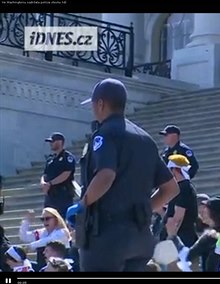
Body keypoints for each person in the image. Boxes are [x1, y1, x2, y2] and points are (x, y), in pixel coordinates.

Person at [66, 78, 179, 272]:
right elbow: (171, 188)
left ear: (100, 104)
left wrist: (83, 204)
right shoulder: (145, 139)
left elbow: (106, 175)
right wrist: (144, 209)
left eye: (94, 104)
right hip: (140, 237)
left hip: (106, 238)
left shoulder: (104, 134)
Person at [167, 197, 220, 272]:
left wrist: (173, 236)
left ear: (213, 213)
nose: (201, 213)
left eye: (206, 210)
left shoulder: (210, 236)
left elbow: (187, 256)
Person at [161, 155, 198, 248]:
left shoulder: (184, 188)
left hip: (182, 239)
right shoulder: (180, 187)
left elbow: (178, 216)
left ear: (174, 170)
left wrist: (170, 238)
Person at [40, 132, 76, 218]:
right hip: (50, 195)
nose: (50, 144)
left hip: (62, 194)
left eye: (52, 141)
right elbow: (45, 174)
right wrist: (43, 183)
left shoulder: (67, 157)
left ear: (60, 142)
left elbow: (66, 173)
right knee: (49, 218)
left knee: (62, 218)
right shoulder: (50, 158)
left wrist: (51, 183)